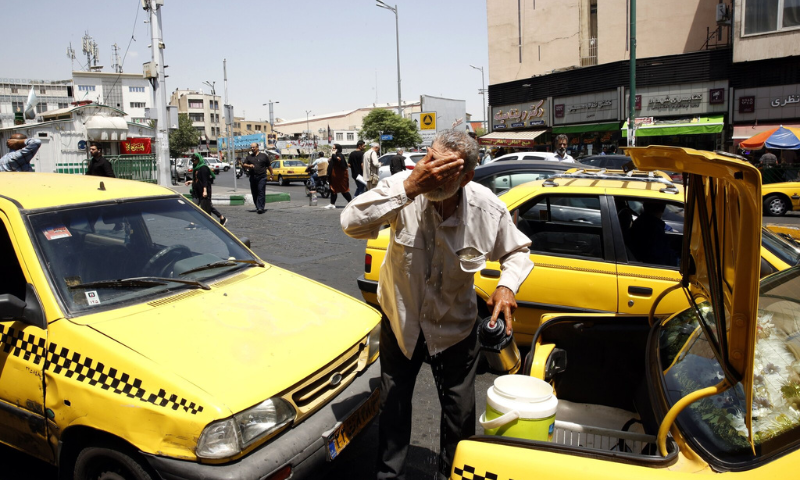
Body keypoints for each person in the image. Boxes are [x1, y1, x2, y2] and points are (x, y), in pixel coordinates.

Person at [341, 130, 534, 480]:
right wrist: (410, 188)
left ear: (466, 177)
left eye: (445, 171)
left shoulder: (486, 207)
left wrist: (507, 286)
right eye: (430, 160)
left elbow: (518, 251)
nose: (432, 174)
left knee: (459, 413)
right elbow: (350, 223)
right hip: (402, 322)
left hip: (455, 328)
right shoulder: (407, 184)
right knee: (394, 405)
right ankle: (389, 475)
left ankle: (455, 473)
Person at [628, 201, 675, 266]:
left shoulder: (640, 222)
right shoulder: (654, 229)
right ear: (663, 210)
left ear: (644, 207)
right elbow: (658, 258)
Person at [185, 153, 227, 225]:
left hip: (203, 190)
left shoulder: (203, 168)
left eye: (194, 160)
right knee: (194, 205)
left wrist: (205, 191)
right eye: (192, 160)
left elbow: (204, 181)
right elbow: (198, 180)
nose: (193, 162)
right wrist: (191, 182)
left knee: (206, 206)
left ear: (198, 159)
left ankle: (219, 218)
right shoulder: (196, 168)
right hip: (197, 191)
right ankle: (221, 217)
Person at [242, 142, 273, 214]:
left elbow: (269, 166)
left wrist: (272, 174)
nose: (252, 149)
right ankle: (257, 205)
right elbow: (244, 164)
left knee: (261, 191)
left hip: (262, 176)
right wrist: (249, 166)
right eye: (251, 147)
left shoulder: (264, 156)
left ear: (257, 147)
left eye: (254, 147)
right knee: (254, 192)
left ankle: (261, 207)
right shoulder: (249, 157)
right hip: (253, 177)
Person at [326, 144, 352, 209]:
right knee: (333, 190)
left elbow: (338, 160)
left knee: (344, 190)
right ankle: (332, 204)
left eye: (334, 148)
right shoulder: (335, 156)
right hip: (334, 177)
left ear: (337, 149)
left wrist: (333, 155)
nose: (332, 149)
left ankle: (351, 202)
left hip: (340, 177)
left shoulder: (340, 156)